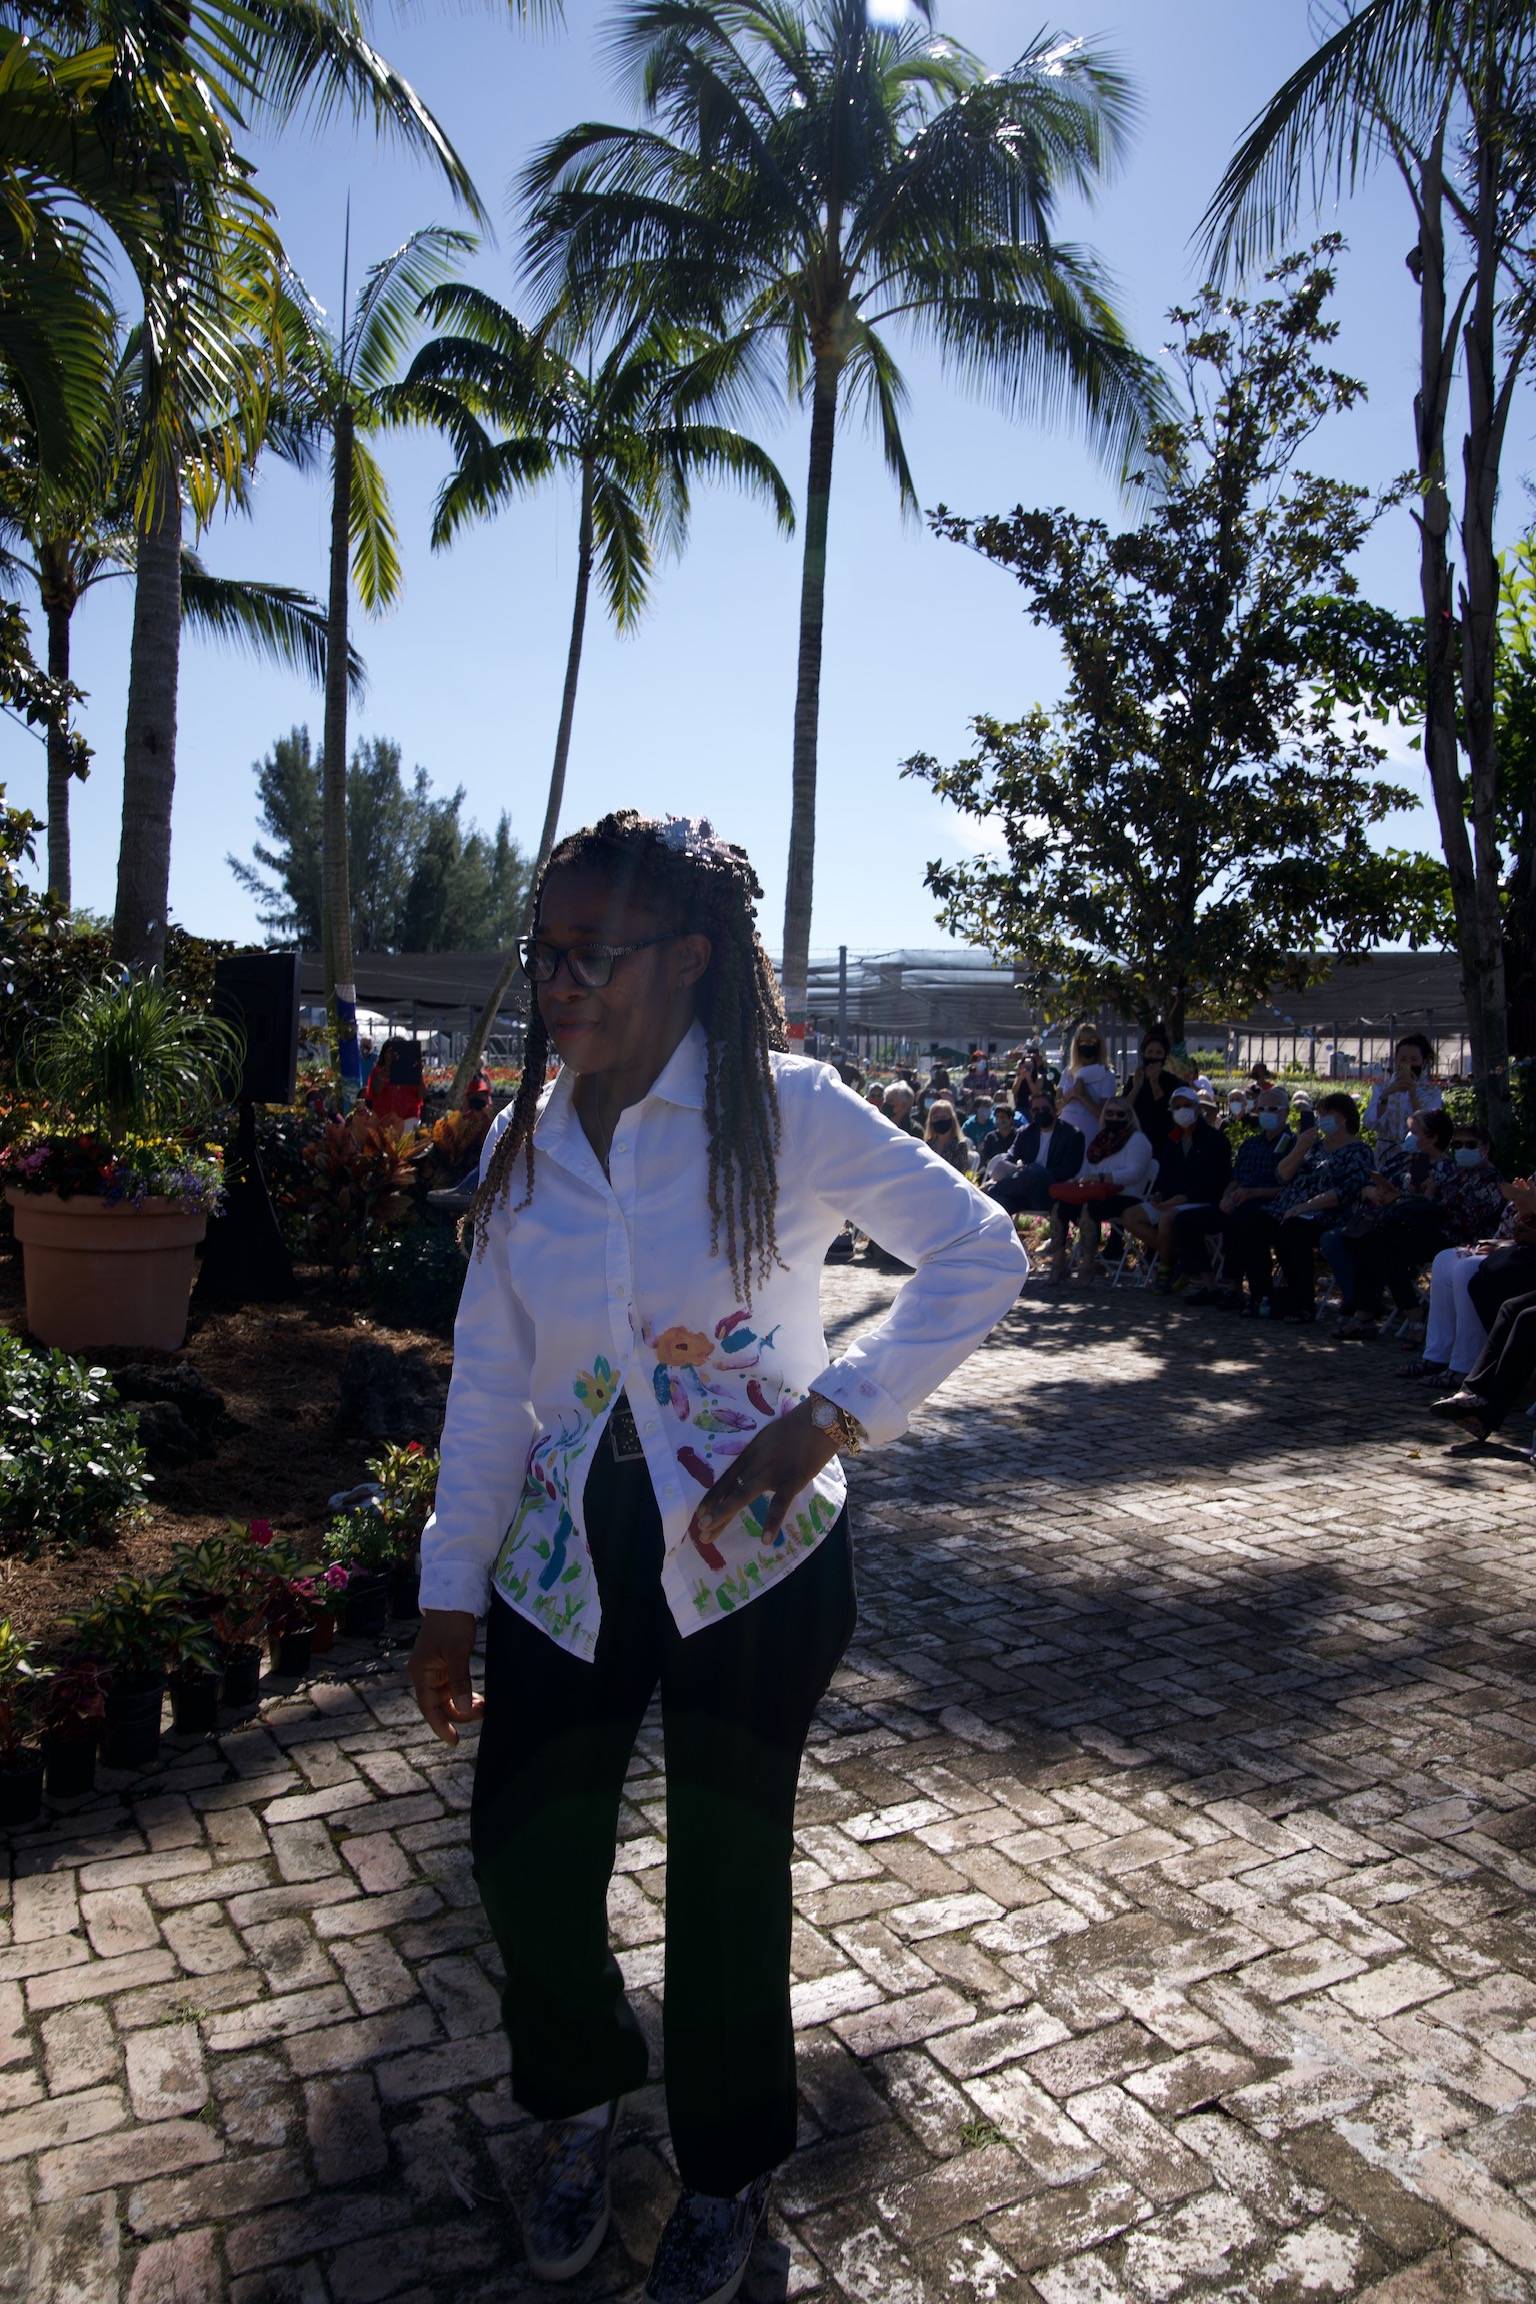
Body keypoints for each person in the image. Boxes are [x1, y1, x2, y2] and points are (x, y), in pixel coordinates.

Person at [413, 810, 1026, 2304]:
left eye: (591, 953)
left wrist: (831, 1417)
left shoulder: (786, 1109)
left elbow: (981, 1251)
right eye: (544, 952)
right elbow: (489, 1381)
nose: (558, 981)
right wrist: (448, 1588)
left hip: (757, 1559)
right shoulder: (522, 1143)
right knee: (525, 1852)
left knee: (729, 1871)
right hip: (567, 1555)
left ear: (689, 958)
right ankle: (580, 2098)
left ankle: (727, 2166)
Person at [1226, 1091, 1375, 1321]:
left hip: (1325, 1213)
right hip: (1287, 1207)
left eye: (1326, 1114)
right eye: (1319, 1114)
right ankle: (1261, 1296)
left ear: (1344, 1117)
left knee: (1293, 1230)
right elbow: (1282, 1176)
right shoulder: (1315, 1147)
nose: (1321, 1119)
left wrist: (1305, 1206)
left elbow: (1347, 1191)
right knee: (1250, 1223)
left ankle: (1303, 1303)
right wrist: (1301, 1146)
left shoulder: (1359, 1151)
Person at [1177, 1084, 1295, 1302]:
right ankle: (1209, 1284)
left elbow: (1291, 1188)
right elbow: (1235, 1178)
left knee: (1240, 1220)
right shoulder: (1250, 1144)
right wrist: (1227, 1196)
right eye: (1262, 1109)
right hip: (1239, 1200)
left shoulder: (1293, 1146)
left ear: (1286, 1112)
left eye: (1273, 1109)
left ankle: (1235, 1287)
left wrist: (1252, 1193)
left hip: (1269, 1207)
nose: (1266, 1114)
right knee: (1186, 1220)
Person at [1122, 1084, 1233, 1291]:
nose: (1182, 1110)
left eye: (1187, 1105)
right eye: (1177, 1106)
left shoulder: (1215, 1140)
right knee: (1130, 1216)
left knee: (1167, 1218)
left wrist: (1182, 1198)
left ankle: (1165, 1268)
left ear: (1197, 1108)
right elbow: (1165, 1175)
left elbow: (1217, 1180)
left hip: (1201, 1201)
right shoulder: (1172, 1140)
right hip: (1170, 1200)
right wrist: (1160, 1194)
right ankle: (1179, 1258)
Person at [1043, 1096, 1155, 1284]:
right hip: (1096, 1192)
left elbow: (1135, 1173)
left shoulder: (1138, 1140)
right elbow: (1089, 1170)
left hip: (1127, 1195)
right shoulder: (1100, 1141)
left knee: (1091, 1208)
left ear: (1129, 1116)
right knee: (1060, 1205)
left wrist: (1104, 1177)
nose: (1114, 1117)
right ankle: (1059, 1261)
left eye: (1120, 1114)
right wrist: (1079, 1181)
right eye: (1109, 1113)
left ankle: (1087, 1265)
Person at [986, 1082, 1084, 1216]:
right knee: (998, 1202)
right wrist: (1010, 1167)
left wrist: (1036, 1173)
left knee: (1035, 1171)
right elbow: (1011, 1156)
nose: (1040, 1113)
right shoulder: (1026, 1132)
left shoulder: (1072, 1134)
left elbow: (1069, 1170)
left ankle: (989, 1190)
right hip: (1023, 1190)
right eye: (1035, 1110)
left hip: (1050, 1190)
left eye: (1045, 1109)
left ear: (1055, 1109)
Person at [1363, 1032, 1444, 1146]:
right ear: (1396, 1061)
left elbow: (1430, 1127)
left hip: (1417, 1150)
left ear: (1423, 1062)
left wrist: (1413, 1096)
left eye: (1414, 1059)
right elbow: (1369, 1123)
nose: (1408, 1064)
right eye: (1403, 1059)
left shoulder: (1431, 1092)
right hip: (1386, 1151)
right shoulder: (1381, 1088)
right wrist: (1385, 1096)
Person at [1121, 1026, 1185, 1157]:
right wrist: (1136, 1087)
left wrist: (1154, 1082)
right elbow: (1124, 1110)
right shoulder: (1135, 1079)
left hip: (1164, 1144)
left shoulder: (1173, 1082)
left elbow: (1168, 1111)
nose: (1153, 1057)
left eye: (1158, 1053)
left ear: (1164, 1056)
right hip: (1137, 1141)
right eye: (1150, 1052)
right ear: (1143, 1054)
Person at [1056, 1023, 1117, 1143]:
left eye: (1092, 1041)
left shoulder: (1106, 1075)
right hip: (1065, 1132)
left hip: (1090, 1135)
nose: (1087, 1045)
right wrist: (1071, 1094)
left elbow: (1104, 1114)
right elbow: (1056, 1106)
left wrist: (1083, 1096)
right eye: (1083, 1041)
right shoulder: (1068, 1072)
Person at [366, 1035, 426, 1125]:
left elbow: (422, 1095)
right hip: (383, 1121)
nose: (394, 1055)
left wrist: (418, 1074)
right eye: (391, 1052)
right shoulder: (378, 1071)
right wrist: (387, 1068)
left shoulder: (411, 1072)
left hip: (408, 1121)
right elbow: (375, 1091)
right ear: (384, 1054)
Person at [923, 1098, 972, 1173]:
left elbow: (963, 1171)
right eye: (936, 1117)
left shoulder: (960, 1145)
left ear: (952, 1119)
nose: (940, 1120)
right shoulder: (928, 1144)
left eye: (944, 1117)